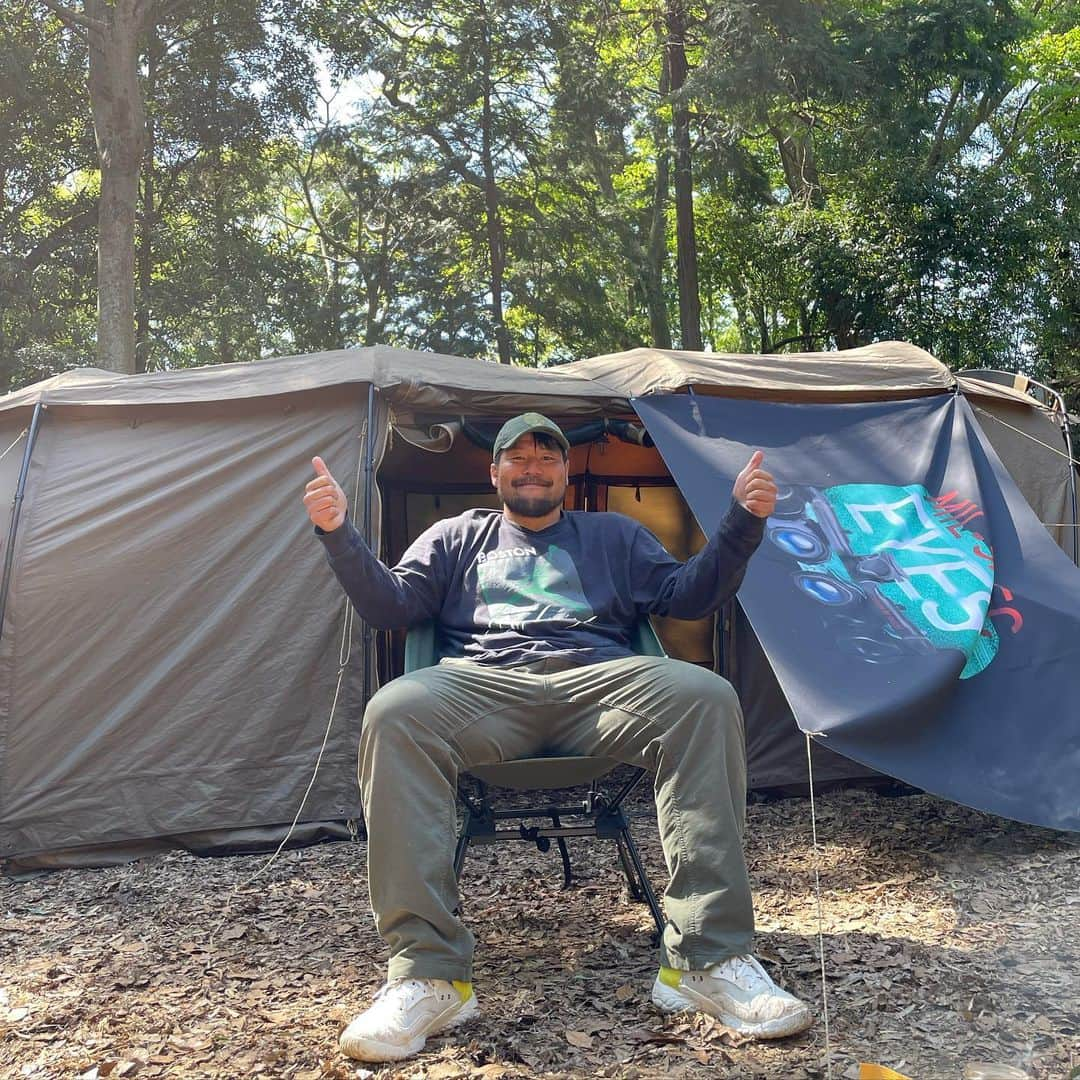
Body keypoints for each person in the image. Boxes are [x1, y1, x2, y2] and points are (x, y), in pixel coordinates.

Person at [303, 412, 812, 1063]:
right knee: (394, 713)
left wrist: (741, 524)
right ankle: (429, 974)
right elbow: (391, 606)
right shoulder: (456, 536)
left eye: (548, 458)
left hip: (598, 685)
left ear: (565, 473)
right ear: (494, 473)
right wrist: (338, 534)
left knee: (705, 698)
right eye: (519, 458)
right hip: (486, 687)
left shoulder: (612, 536)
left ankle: (706, 962)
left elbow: (688, 597)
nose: (533, 468)